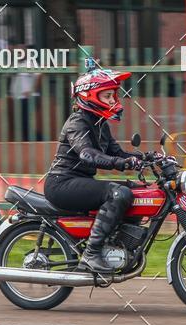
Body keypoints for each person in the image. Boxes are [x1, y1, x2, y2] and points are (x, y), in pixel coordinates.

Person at [44, 59, 143, 273]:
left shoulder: (100, 124)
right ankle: (91, 254)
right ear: (89, 96)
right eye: (107, 96)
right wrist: (121, 163)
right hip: (62, 184)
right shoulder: (77, 122)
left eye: (113, 95)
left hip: (80, 182)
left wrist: (146, 158)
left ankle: (118, 244)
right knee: (118, 194)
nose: (113, 100)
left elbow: (117, 153)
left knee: (137, 191)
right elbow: (87, 154)